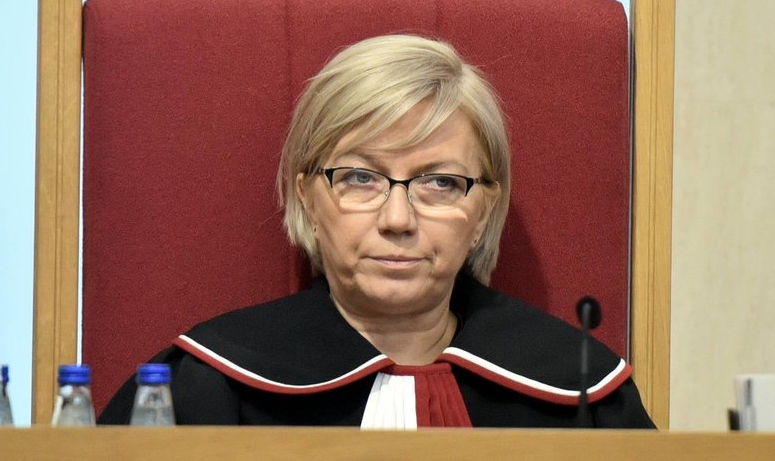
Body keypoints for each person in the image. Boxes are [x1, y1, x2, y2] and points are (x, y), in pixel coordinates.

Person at [99, 34, 654, 428]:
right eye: (360, 178)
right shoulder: (201, 390)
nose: (397, 220)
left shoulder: (587, 398)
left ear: (485, 210)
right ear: (307, 198)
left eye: (439, 182)